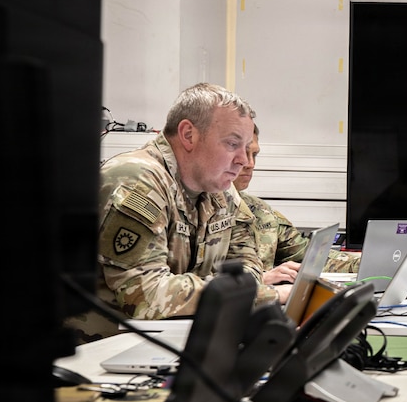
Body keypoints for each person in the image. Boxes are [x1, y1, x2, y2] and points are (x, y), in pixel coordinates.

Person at [69, 83, 290, 341]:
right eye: (232, 144)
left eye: (246, 148)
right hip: (95, 350)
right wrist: (262, 294)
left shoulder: (220, 189)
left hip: (169, 339)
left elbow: (249, 267)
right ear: (188, 135)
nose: (243, 160)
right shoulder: (136, 180)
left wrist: (225, 291)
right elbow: (147, 296)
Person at [234, 125, 308, 286]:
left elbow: (307, 254)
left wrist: (368, 261)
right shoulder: (194, 207)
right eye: (242, 153)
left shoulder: (260, 211)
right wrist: (260, 279)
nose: (250, 164)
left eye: (254, 155)